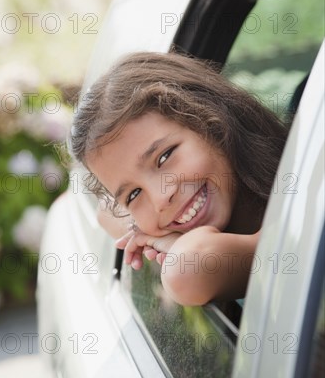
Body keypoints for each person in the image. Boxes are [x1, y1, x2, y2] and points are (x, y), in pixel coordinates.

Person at [70, 51, 288, 306]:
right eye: (134, 194)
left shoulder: (302, 205)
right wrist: (148, 231)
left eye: (163, 158)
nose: (162, 197)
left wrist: (163, 239)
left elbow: (185, 271)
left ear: (211, 120)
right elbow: (105, 213)